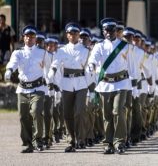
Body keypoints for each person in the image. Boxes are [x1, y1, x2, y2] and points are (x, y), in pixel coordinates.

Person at [88, 18, 134, 154]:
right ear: (103, 32)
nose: (109, 33)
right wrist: (91, 66)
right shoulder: (99, 46)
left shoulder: (125, 46)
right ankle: (108, 142)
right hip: (105, 84)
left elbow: (132, 67)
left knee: (118, 111)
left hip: (121, 83)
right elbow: (93, 59)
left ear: (116, 31)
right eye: (106, 30)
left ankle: (119, 142)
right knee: (107, 115)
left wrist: (134, 85)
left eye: (111, 30)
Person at [4, 26, 51, 153]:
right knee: (23, 116)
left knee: (36, 112)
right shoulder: (18, 52)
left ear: (36, 38)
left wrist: (49, 80)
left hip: (38, 88)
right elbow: (13, 62)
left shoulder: (43, 52)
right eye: (27, 36)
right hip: (23, 89)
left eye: (32, 37)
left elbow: (49, 68)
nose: (29, 39)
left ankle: (38, 141)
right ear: (23, 38)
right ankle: (28, 142)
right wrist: (9, 70)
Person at [48, 22, 91, 152]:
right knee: (67, 114)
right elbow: (55, 64)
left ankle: (81, 139)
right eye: (70, 33)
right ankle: (72, 140)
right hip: (66, 83)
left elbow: (89, 69)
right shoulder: (61, 50)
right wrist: (52, 73)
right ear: (67, 35)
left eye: (75, 33)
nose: (73, 36)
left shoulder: (86, 50)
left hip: (81, 83)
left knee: (79, 112)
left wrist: (91, 88)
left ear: (79, 35)